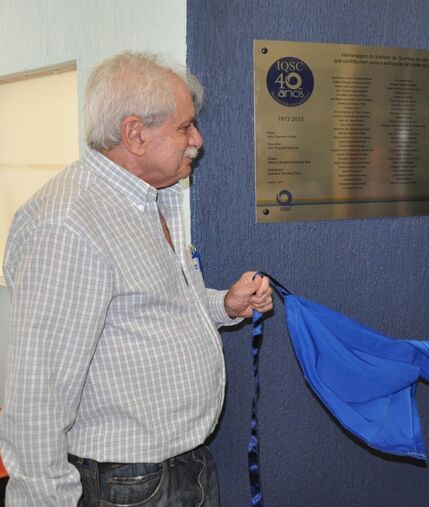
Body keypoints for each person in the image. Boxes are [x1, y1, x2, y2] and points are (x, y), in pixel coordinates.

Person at [0, 52, 274, 506]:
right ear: (134, 134)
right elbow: (36, 401)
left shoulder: (157, 198)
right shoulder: (68, 226)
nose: (198, 140)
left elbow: (156, 307)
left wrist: (224, 305)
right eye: (185, 126)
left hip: (187, 467)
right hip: (128, 486)